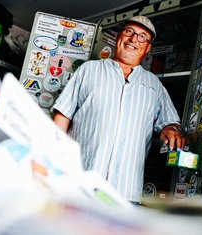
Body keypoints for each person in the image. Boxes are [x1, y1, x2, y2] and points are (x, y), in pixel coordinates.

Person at [52, 15, 186, 204]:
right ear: (118, 37)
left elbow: (170, 122)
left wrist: (171, 129)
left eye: (142, 37)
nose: (133, 39)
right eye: (129, 31)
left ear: (148, 48)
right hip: (79, 185)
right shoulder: (88, 70)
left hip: (126, 193)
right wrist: (50, 162)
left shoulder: (154, 85)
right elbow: (62, 117)